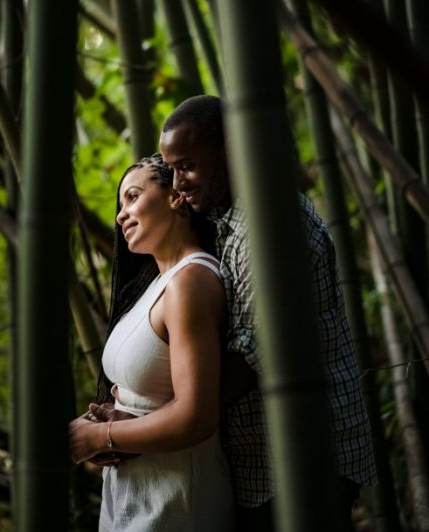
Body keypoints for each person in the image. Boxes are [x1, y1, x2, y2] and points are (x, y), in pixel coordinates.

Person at [122, 94, 375, 529]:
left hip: (301, 459)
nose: (178, 182)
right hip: (262, 460)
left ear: (229, 151)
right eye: (172, 169)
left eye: (188, 166)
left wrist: (138, 425)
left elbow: (249, 364)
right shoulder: (223, 216)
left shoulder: (270, 227)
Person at [69, 154, 233, 530]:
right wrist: (118, 418)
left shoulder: (189, 282)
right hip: (141, 500)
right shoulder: (160, 284)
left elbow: (196, 416)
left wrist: (100, 436)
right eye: (120, 204)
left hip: (177, 504)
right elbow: (155, 397)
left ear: (176, 196)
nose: (120, 215)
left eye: (132, 197)